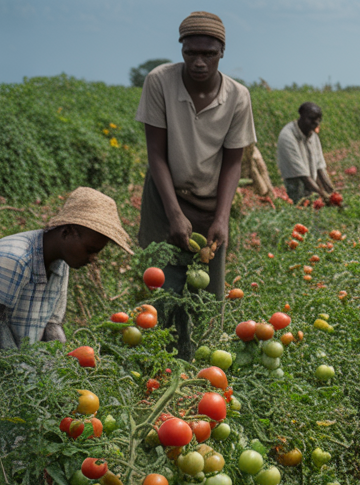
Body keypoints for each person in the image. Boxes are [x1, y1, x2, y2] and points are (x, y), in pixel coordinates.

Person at [135, 11, 256, 359]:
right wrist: (173, 213)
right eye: (191, 53)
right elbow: (155, 153)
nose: (199, 62)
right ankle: (166, 369)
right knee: (167, 293)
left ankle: (201, 377)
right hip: (165, 197)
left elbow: (234, 162)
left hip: (210, 203)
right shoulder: (160, 82)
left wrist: (222, 217)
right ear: (181, 50)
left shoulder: (237, 97)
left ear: (222, 52)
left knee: (208, 296)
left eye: (209, 54)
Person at [0, 188, 133, 350]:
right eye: (90, 250)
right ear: (67, 232)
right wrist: (19, 369)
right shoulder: (15, 259)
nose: (92, 259)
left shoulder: (61, 263)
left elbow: (52, 323)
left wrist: (67, 363)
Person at [277, 102, 335, 203]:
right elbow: (302, 174)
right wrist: (324, 196)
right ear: (302, 116)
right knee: (300, 209)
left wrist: (332, 192)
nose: (316, 123)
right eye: (312, 119)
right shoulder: (287, 136)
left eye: (318, 120)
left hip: (311, 185)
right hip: (295, 186)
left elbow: (320, 168)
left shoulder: (313, 137)